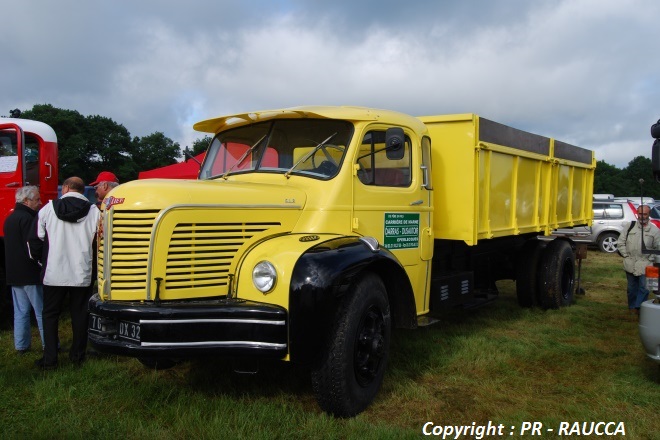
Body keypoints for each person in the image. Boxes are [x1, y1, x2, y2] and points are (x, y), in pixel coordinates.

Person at [31, 177, 100, 369]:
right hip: (82, 272)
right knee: (80, 314)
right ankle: (77, 356)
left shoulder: (47, 209)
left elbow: (35, 240)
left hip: (54, 272)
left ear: (67, 188)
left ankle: (50, 358)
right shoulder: (95, 212)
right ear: (81, 190)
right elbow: (102, 244)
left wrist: (41, 262)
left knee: (50, 315)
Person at [3, 186, 44, 354]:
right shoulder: (28, 219)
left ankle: (21, 345)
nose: (40, 203)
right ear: (26, 201)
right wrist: (41, 263)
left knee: (20, 311)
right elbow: (32, 247)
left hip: (14, 273)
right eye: (37, 200)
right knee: (42, 311)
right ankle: (48, 345)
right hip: (30, 273)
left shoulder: (10, 218)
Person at [617, 204, 660, 315]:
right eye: (640, 213)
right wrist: (626, 255)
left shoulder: (655, 231)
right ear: (637, 213)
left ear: (648, 214)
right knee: (631, 288)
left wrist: (651, 259)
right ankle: (632, 307)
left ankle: (639, 308)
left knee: (645, 288)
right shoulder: (629, 226)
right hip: (630, 262)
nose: (642, 216)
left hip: (647, 263)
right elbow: (620, 242)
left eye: (645, 214)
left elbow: (658, 248)